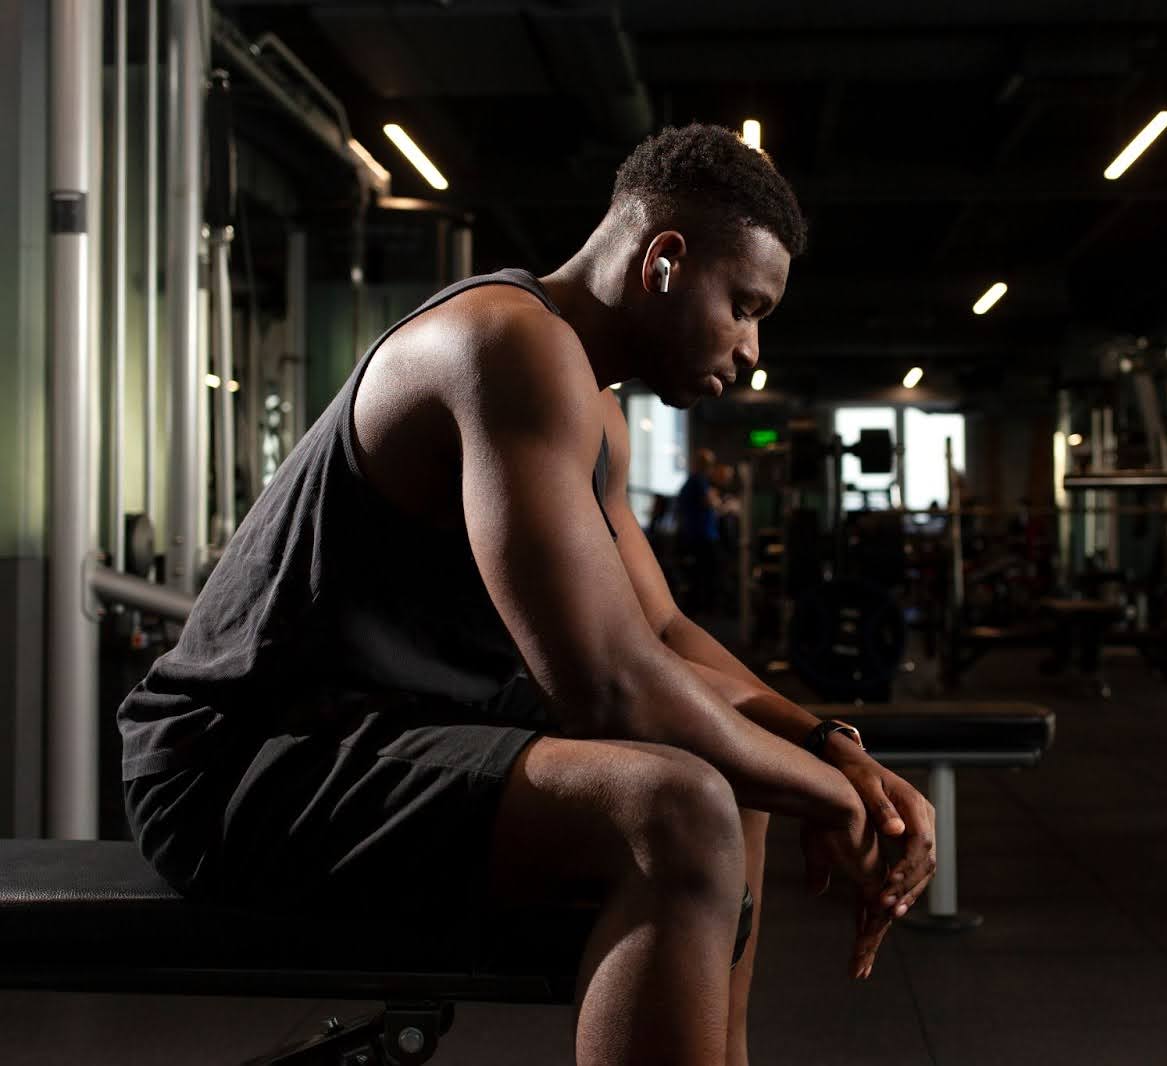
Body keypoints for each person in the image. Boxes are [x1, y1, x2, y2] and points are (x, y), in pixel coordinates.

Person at [117, 124, 936, 1066]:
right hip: (239, 764)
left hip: (378, 730)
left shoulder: (596, 408)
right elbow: (611, 689)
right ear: (665, 262)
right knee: (680, 808)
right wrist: (834, 800)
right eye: (744, 305)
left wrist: (828, 746)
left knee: (740, 783)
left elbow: (662, 631)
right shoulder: (505, 342)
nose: (753, 351)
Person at [676, 447, 723, 615]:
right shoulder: (698, 481)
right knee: (708, 574)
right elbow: (710, 502)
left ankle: (700, 608)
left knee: (699, 574)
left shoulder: (692, 481)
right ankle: (707, 609)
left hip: (695, 534)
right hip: (702, 536)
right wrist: (716, 499)